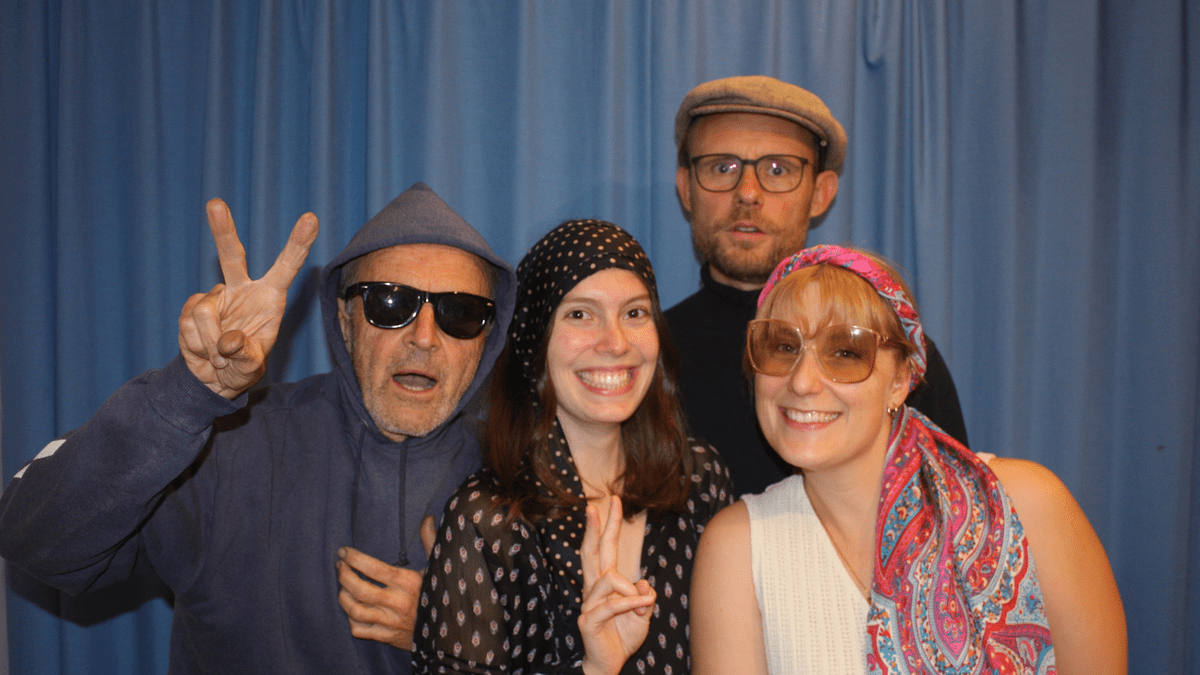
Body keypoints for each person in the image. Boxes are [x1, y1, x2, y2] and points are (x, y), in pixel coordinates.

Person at [0, 182, 518, 674]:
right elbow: (35, 541)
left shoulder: (518, 476)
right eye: (391, 303)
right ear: (345, 319)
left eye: (461, 312)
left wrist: (462, 642)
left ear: (488, 338)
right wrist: (185, 397)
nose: (424, 337)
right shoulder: (225, 446)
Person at [690, 245, 1126, 674]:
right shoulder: (737, 550)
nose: (802, 382)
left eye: (845, 352)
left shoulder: (1026, 505)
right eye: (783, 347)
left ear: (901, 380)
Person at [412, 220, 733, 675]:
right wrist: (594, 669)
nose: (615, 343)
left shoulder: (700, 480)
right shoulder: (485, 522)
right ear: (533, 341)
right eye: (580, 314)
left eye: (635, 313)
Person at [665, 75, 970, 496]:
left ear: (821, 194)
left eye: (778, 170)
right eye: (721, 168)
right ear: (686, 188)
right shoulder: (646, 357)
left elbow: (950, 512)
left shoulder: (882, 349)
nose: (748, 193)